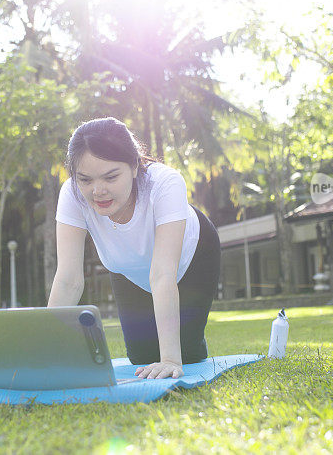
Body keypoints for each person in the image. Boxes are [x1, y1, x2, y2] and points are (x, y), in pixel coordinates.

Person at [47, 117, 221, 379]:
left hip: (191, 256)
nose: (98, 191)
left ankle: (187, 345)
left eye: (111, 176)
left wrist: (171, 359)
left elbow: (163, 274)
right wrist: (40, 351)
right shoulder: (71, 194)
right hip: (128, 267)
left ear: (135, 166)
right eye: (85, 179)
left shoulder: (165, 183)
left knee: (186, 353)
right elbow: (68, 280)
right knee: (142, 357)